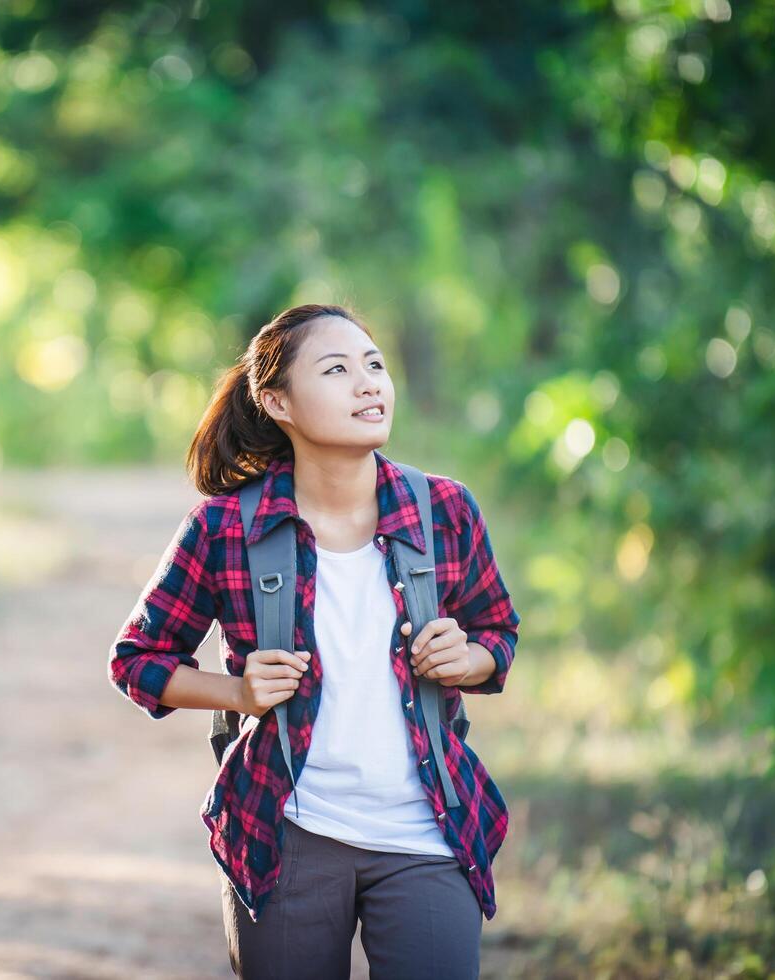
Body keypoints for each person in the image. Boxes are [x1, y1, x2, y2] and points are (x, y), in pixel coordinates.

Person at [108, 304, 520, 979]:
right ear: (277, 402)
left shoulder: (444, 510)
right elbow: (135, 660)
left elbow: (496, 633)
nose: (368, 384)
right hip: (285, 833)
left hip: (428, 833)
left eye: (374, 365)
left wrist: (466, 657)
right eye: (336, 369)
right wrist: (236, 692)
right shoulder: (222, 529)